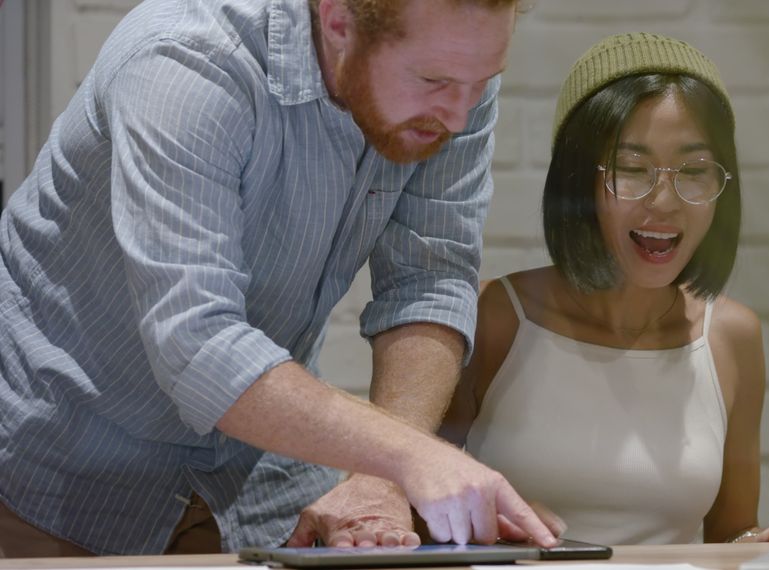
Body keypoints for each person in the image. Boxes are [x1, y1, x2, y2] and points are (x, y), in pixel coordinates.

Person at [0, 0, 561, 558]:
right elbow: (198, 342)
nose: (459, 117)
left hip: (253, 474)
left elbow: (429, 281)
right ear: (338, 22)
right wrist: (412, 455)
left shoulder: (455, 73)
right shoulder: (187, 61)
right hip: (57, 462)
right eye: (432, 80)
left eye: (481, 83)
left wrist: (382, 478)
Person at [439, 32, 769, 545]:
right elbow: (404, 509)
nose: (665, 202)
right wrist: (482, 523)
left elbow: (730, 535)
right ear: (577, 180)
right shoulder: (494, 316)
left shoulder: (732, 337)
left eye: (694, 171)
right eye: (630, 169)